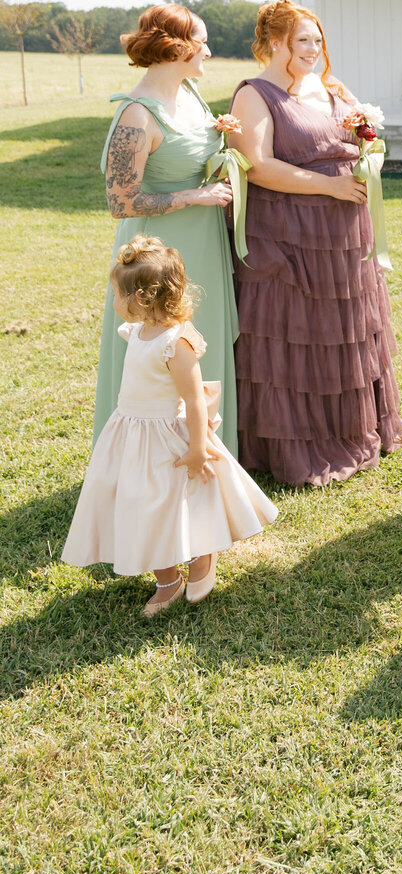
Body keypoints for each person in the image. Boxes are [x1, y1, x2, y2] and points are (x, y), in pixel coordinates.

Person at [227, 1, 402, 488]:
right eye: (303, 40)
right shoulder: (255, 95)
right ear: (275, 43)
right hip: (290, 229)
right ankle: (298, 440)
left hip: (344, 233)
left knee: (345, 326)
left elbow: (363, 141)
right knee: (297, 330)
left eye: (317, 40)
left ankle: (352, 425)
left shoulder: (332, 89)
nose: (314, 49)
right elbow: (258, 165)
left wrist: (368, 165)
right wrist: (328, 185)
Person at [64, 237, 277, 617]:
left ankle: (201, 553)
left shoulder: (175, 343)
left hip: (164, 436)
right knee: (133, 504)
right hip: (129, 432)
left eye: (117, 294)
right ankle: (168, 579)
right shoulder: (137, 332)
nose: (113, 302)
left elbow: (194, 399)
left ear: (141, 298)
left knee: (169, 501)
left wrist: (197, 447)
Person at [95, 3, 238, 452]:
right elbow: (120, 202)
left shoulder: (191, 94)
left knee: (202, 341)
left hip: (204, 241)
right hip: (159, 253)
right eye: (202, 42)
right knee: (159, 344)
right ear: (176, 47)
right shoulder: (137, 116)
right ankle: (146, 457)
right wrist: (194, 196)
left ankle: (208, 451)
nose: (209, 52)